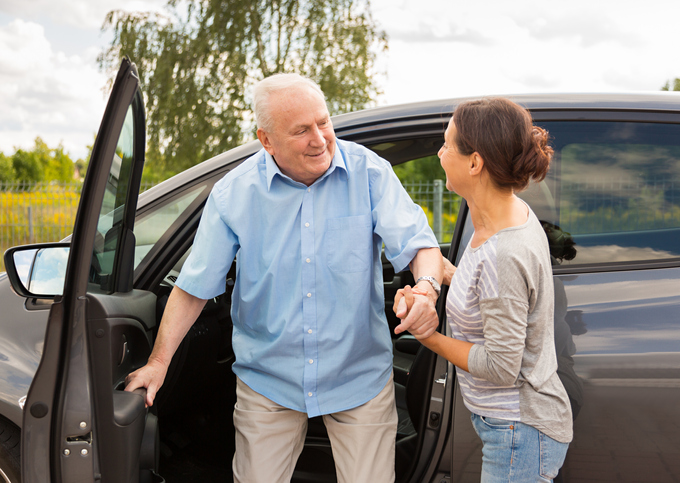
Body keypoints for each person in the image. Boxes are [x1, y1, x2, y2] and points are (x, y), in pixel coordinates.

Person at [125, 73, 443, 483]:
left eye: (324, 122)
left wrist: (426, 289)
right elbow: (194, 288)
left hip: (359, 378)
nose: (320, 138)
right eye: (301, 130)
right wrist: (158, 363)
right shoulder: (234, 194)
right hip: (269, 382)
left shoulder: (369, 173)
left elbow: (421, 246)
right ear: (267, 139)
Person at [395, 97, 573, 482]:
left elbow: (500, 367)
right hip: (511, 426)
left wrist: (427, 336)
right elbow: (496, 297)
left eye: (446, 144)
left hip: (520, 429)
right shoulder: (511, 214)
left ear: (475, 163)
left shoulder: (504, 252)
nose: (440, 153)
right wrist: (446, 273)